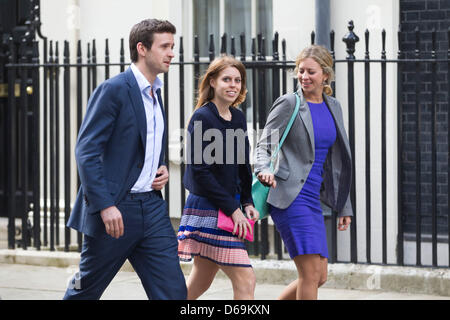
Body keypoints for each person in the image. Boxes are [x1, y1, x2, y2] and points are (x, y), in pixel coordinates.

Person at [64, 19, 187, 300]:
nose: (172, 53)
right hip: (116, 211)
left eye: (173, 46)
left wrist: (161, 167)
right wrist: (105, 205)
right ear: (142, 48)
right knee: (84, 290)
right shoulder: (114, 90)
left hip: (153, 210)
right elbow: (86, 150)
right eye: (165, 46)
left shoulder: (156, 92)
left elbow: (144, 142)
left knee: (174, 292)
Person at [254, 45, 353, 300]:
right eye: (301, 71)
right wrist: (264, 169)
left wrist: (344, 206)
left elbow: (338, 163)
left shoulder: (334, 106)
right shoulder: (289, 104)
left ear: (325, 75)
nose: (304, 76)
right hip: (290, 197)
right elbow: (264, 145)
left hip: (313, 199)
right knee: (309, 275)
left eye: (311, 72)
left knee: (319, 276)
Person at [177, 56, 259, 300]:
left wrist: (246, 201)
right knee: (246, 279)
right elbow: (200, 171)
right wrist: (233, 208)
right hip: (208, 210)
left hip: (229, 206)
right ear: (212, 82)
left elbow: (242, 165)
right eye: (226, 79)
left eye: (237, 80)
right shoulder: (203, 117)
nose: (233, 85)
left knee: (201, 279)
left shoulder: (238, 117)